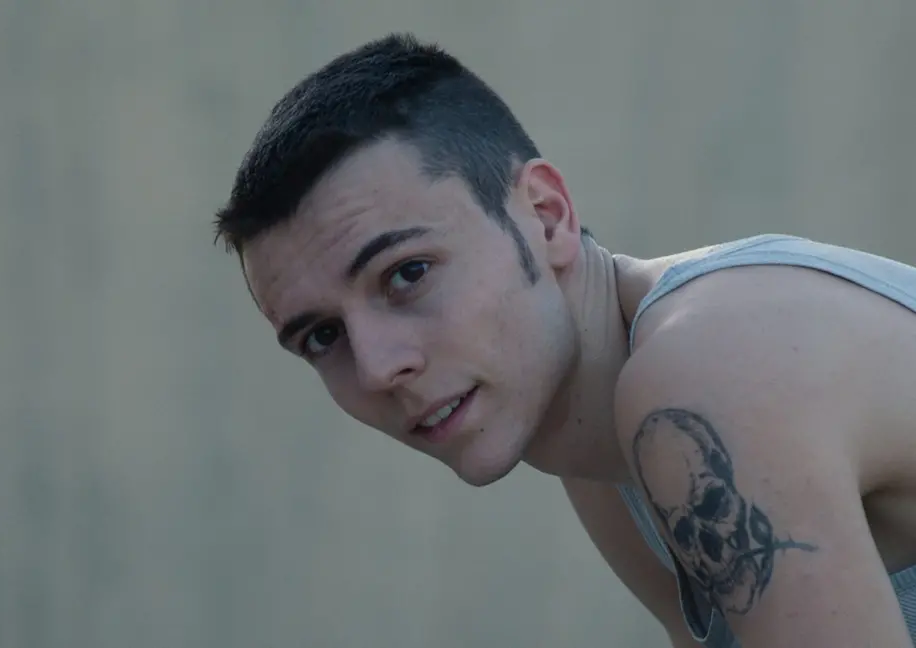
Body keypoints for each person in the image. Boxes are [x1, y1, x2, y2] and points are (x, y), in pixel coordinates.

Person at [212, 33, 916, 647]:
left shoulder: (704, 372)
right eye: (322, 336)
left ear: (546, 217)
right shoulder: (594, 454)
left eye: (408, 274)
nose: (377, 368)